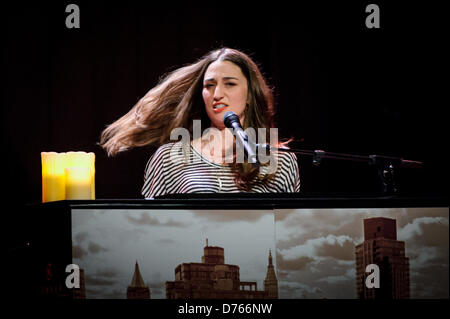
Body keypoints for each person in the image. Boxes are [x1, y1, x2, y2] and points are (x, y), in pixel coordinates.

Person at [100, 48, 300, 198]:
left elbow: (287, 231)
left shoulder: (281, 161)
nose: (217, 94)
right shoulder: (169, 159)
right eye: (209, 85)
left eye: (230, 84)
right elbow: (152, 228)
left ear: (249, 95)